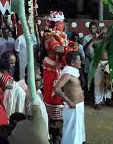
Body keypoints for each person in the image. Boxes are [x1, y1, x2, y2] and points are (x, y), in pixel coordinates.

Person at [42, 11, 78, 141]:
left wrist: (70, 45)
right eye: (62, 23)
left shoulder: (61, 35)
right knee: (54, 96)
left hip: (60, 69)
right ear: (57, 24)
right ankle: (53, 132)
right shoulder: (50, 36)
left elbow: (65, 46)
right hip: (52, 69)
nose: (64, 25)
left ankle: (60, 130)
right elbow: (57, 49)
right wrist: (70, 49)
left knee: (62, 96)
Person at [54, 51, 85, 144]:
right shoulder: (67, 74)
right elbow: (57, 89)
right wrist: (68, 101)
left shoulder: (74, 72)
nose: (81, 62)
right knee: (71, 131)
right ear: (72, 62)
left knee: (77, 129)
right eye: (79, 60)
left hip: (78, 106)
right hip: (72, 106)